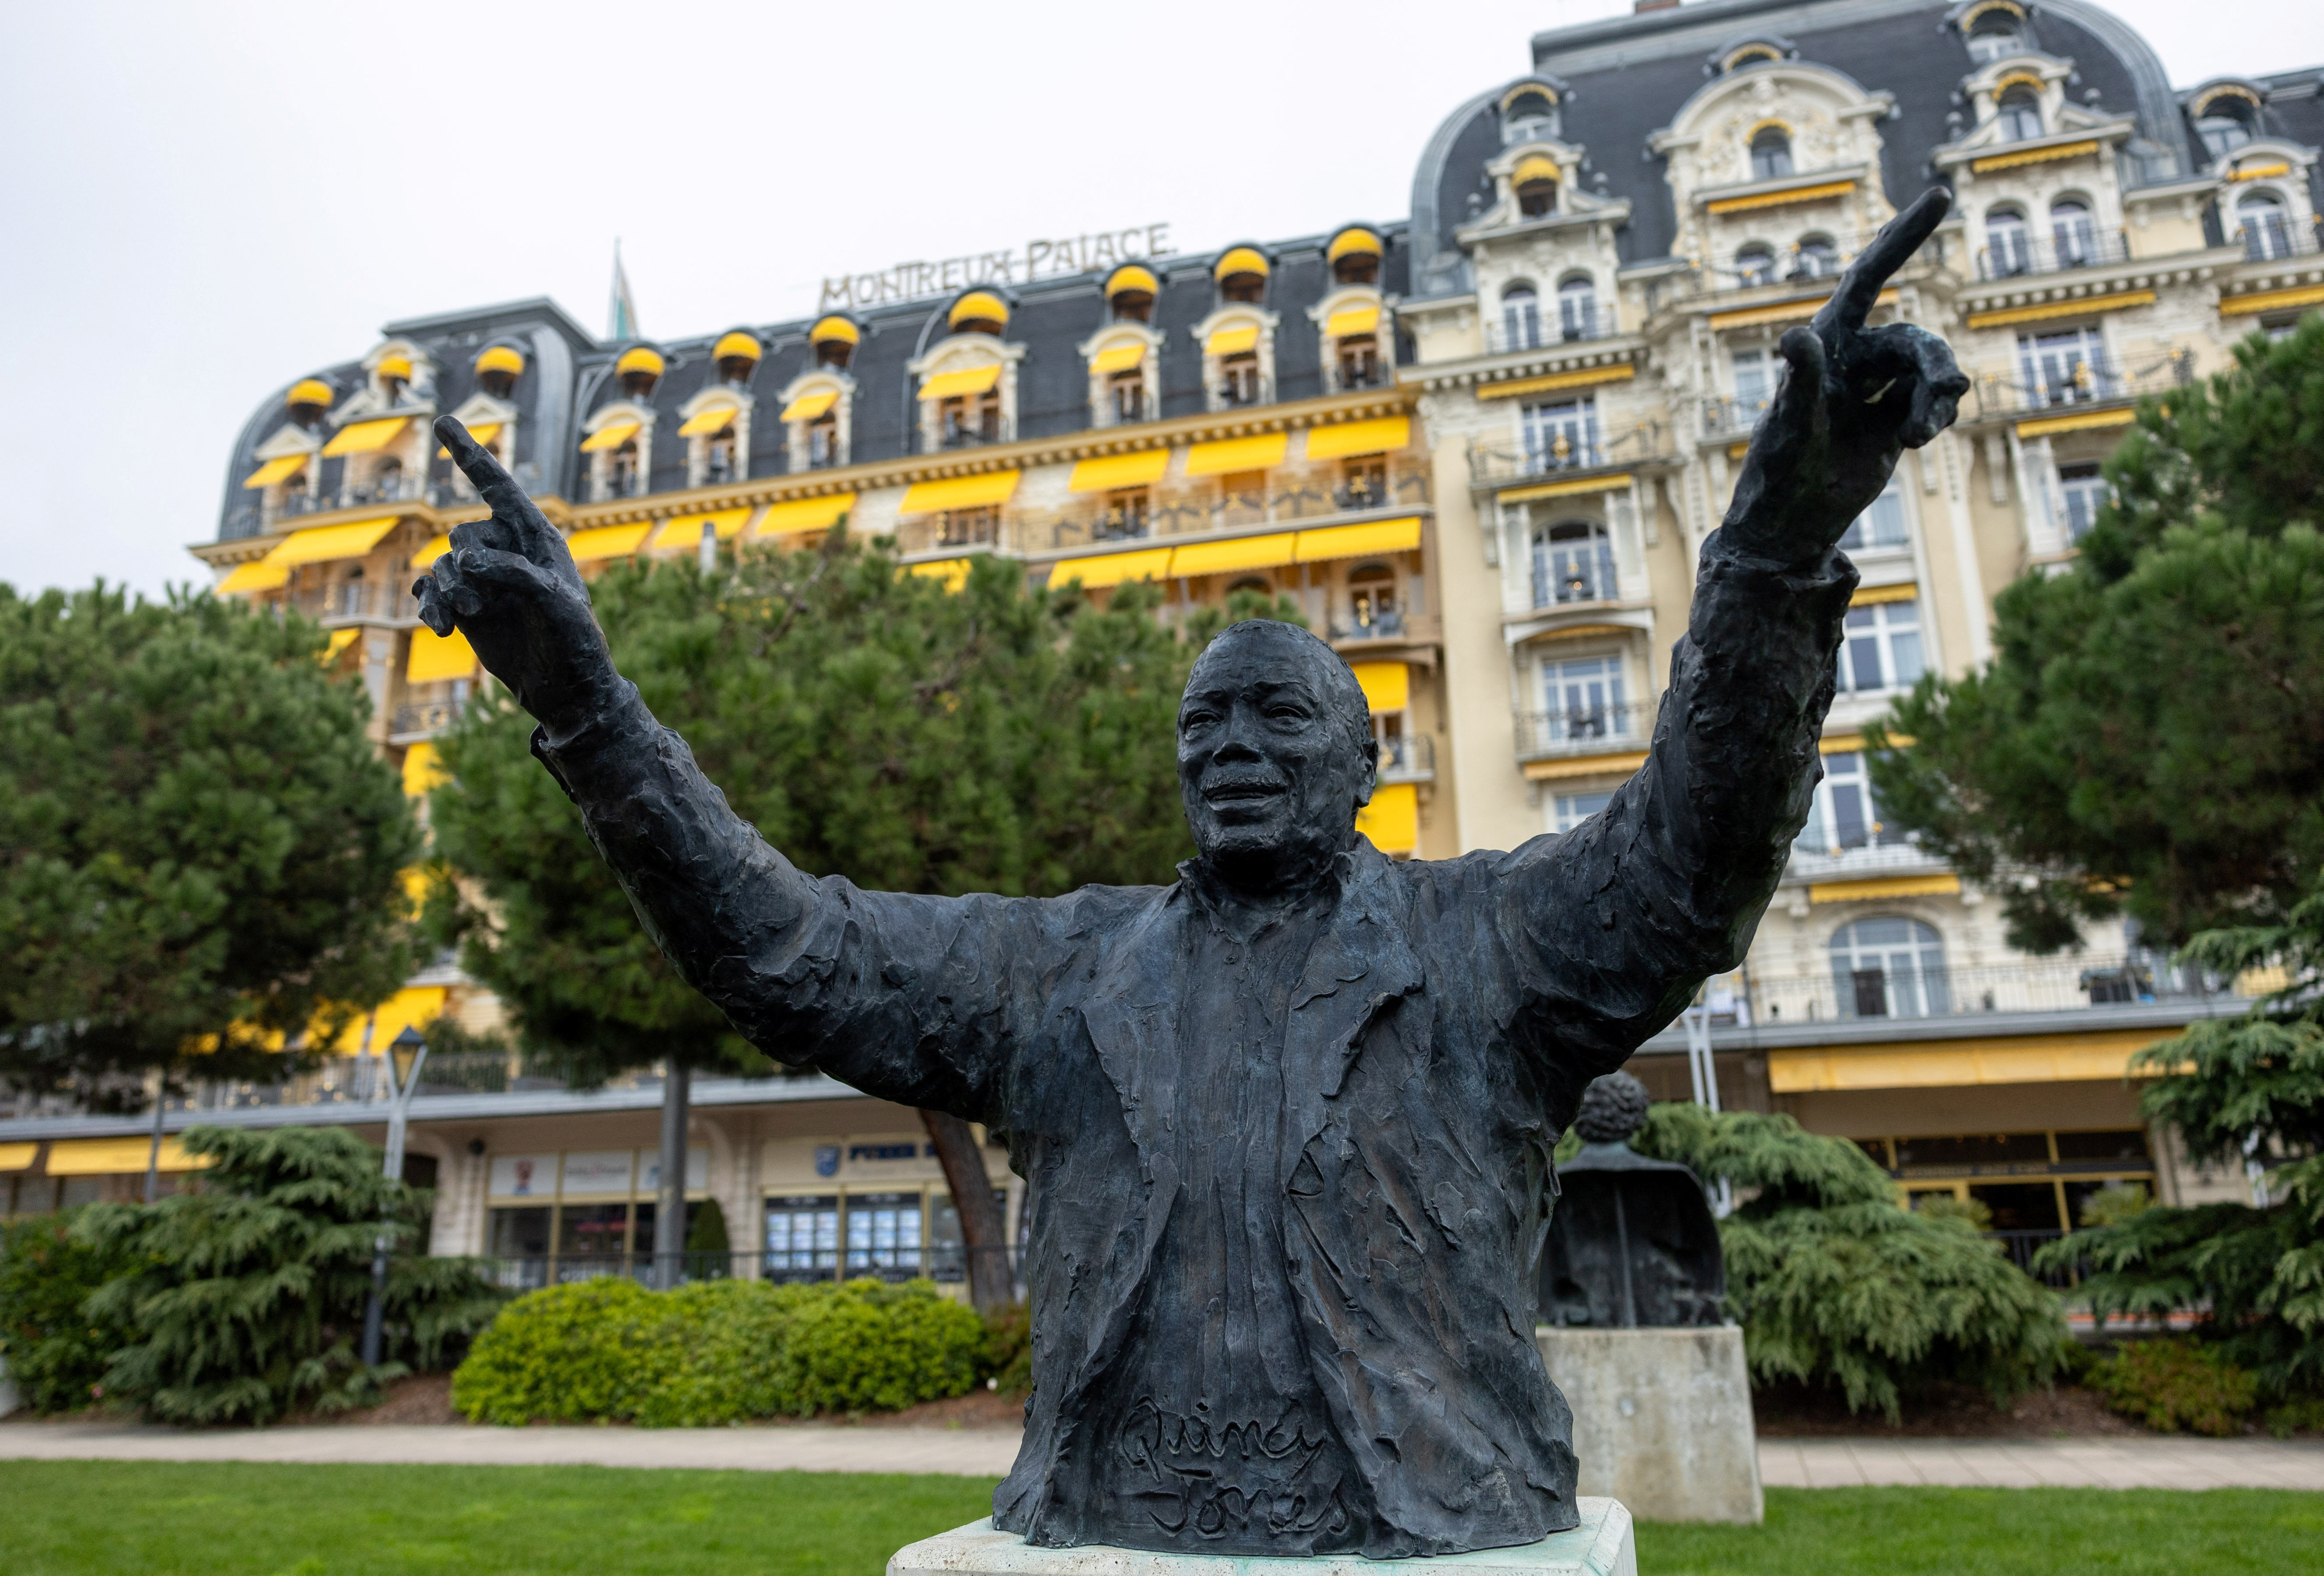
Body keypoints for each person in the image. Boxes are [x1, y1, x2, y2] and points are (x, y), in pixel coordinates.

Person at [413, 193, 1966, 1558]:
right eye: (1199, 722)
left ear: (1363, 766)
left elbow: (1688, 860)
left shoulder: (1483, 939)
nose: (1227, 747)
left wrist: (1771, 555)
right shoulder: (1065, 971)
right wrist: (592, 718)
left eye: (1274, 716)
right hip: (1100, 1505)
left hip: (1439, 1509)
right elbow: (790, 953)